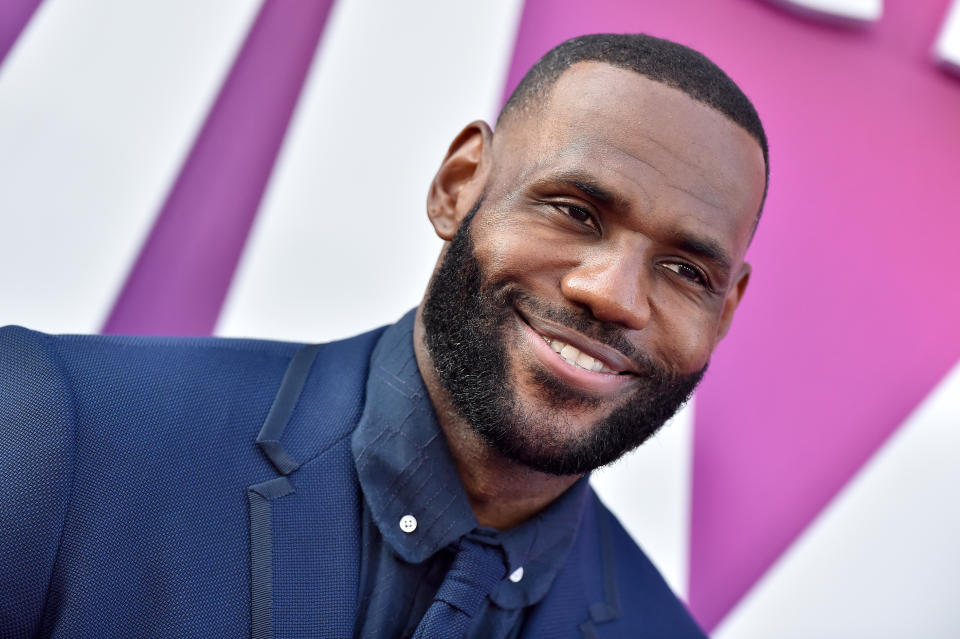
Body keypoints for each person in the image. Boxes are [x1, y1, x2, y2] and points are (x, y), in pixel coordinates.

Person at [0, 33, 767, 639]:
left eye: (685, 270)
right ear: (459, 185)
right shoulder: (59, 434)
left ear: (727, 310)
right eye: (573, 210)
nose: (612, 294)